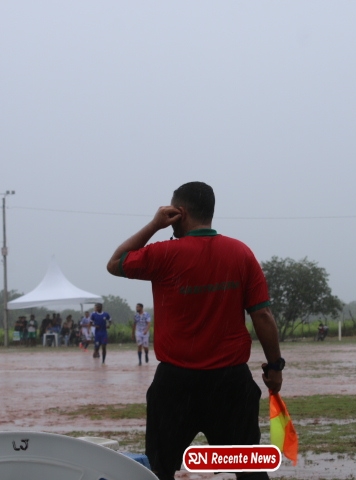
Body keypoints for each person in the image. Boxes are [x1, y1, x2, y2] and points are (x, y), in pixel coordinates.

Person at [107, 181, 284, 480]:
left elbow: (115, 263)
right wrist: (275, 367)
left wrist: (154, 225)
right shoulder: (241, 253)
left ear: (179, 213)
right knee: (249, 470)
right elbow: (262, 315)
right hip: (230, 384)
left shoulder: (163, 255)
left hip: (175, 384)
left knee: (159, 470)